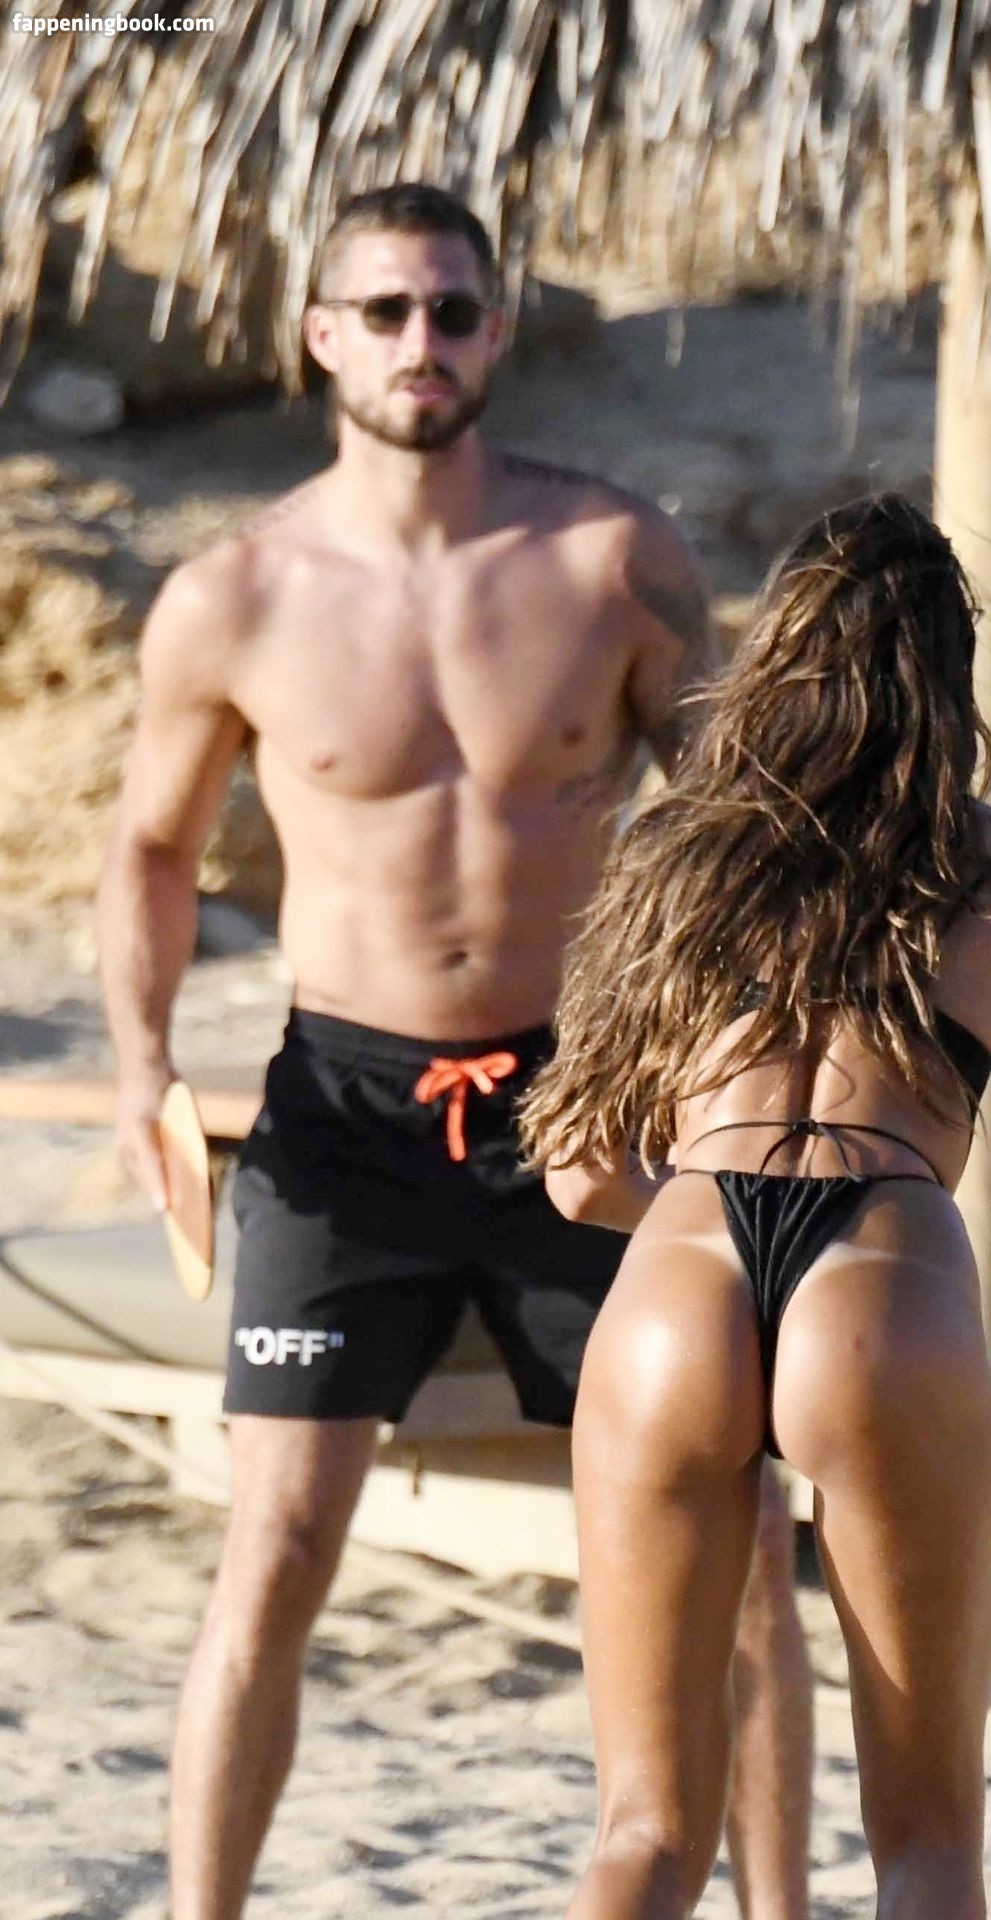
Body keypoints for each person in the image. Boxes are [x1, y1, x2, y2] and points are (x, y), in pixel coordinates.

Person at [96, 182, 812, 1920]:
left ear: (498, 332)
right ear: (321, 338)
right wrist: (138, 1064)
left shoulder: (612, 558)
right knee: (275, 1544)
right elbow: (152, 847)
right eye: (387, 310)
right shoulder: (233, 594)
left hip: (589, 1102)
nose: (423, 341)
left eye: (455, 310)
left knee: (730, 1555)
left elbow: (734, 828)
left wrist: (735, 1067)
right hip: (343, 1113)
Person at [521, 492, 991, 1920]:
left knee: (645, 1830)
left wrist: (701, 1224)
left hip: (684, 1268)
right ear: (949, 673)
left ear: (774, 655)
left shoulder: (673, 856)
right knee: (925, 1839)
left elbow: (576, 1172)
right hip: (883, 1267)